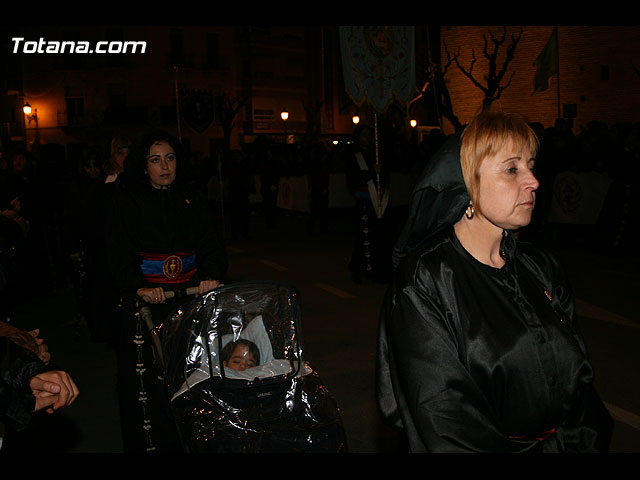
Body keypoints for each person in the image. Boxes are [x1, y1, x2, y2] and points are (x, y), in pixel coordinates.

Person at [376, 110, 613, 453]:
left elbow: (581, 387)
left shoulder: (542, 267)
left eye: (531, 166)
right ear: (467, 181)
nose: (533, 181)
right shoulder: (425, 281)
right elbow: (443, 417)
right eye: (512, 169)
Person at [106, 129, 228, 453]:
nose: (165, 166)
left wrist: (210, 275)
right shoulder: (127, 199)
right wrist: (140, 286)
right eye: (156, 159)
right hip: (146, 306)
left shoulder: (192, 196)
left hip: (188, 301)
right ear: (144, 165)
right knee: (149, 389)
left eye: (170, 158)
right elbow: (117, 253)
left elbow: (211, 245)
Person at [345, 124, 393, 283]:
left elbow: (385, 177)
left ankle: (380, 269)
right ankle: (361, 269)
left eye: (369, 135)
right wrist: (372, 172)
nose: (367, 138)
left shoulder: (377, 154)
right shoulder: (354, 155)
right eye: (363, 135)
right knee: (364, 236)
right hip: (364, 201)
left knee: (380, 236)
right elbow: (353, 179)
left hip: (378, 202)